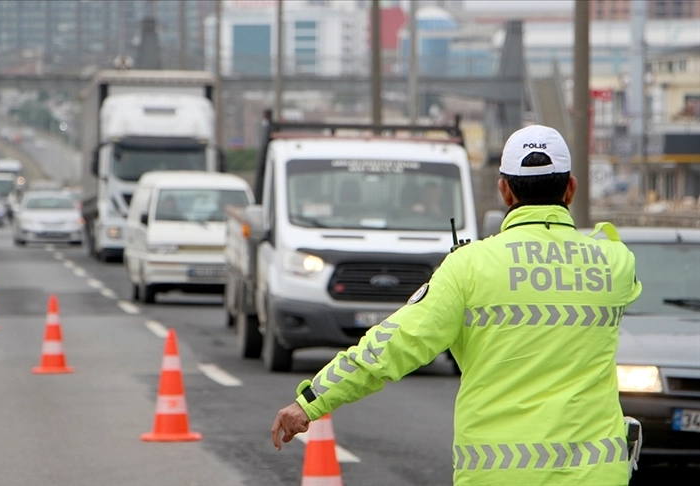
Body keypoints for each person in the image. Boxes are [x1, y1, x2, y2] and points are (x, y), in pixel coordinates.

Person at [271, 125, 643, 486]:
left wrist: (313, 400)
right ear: (571, 188)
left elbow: (392, 345)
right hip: (596, 474)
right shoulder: (614, 262)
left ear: (505, 191)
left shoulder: (469, 266)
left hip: (498, 473)